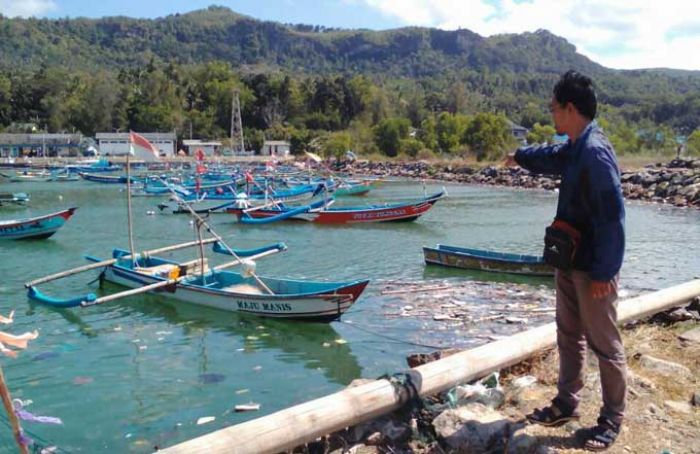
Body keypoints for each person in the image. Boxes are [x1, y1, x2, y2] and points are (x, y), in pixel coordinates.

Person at [508, 70, 626, 451]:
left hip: (593, 269)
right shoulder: (577, 145)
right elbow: (550, 156)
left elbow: (613, 216)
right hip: (571, 259)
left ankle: (611, 419)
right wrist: (520, 156)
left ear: (570, 108)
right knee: (568, 335)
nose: (551, 115)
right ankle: (566, 403)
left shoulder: (594, 152)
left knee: (605, 345)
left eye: (554, 108)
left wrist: (606, 271)